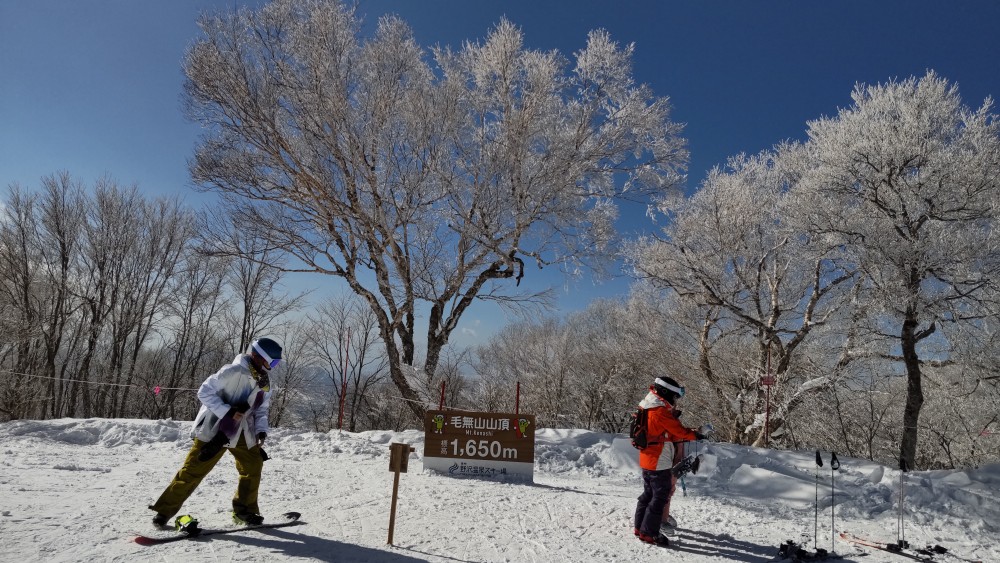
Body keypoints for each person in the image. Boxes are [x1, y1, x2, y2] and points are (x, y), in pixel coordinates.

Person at [148, 337, 282, 528]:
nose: (274, 366)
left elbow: (261, 408)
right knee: (193, 469)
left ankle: (245, 512)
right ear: (258, 356)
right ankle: (163, 512)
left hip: (244, 432)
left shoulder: (264, 382)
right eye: (273, 361)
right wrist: (227, 411)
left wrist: (261, 430)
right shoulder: (233, 371)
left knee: (253, 466)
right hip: (216, 430)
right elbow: (204, 391)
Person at [632, 375, 708, 548]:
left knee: (648, 494)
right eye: (674, 396)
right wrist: (696, 434)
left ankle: (640, 527)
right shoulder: (659, 411)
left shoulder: (646, 405)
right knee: (659, 496)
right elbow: (678, 430)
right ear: (665, 393)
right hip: (659, 459)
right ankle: (648, 533)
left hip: (648, 457)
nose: (674, 401)